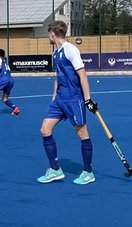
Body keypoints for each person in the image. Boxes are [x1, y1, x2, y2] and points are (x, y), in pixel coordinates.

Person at [37, 21, 95, 186]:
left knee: (82, 134)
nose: (48, 37)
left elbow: (82, 75)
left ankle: (88, 172)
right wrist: (54, 96)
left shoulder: (71, 50)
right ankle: (55, 170)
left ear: (52, 34)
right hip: (60, 99)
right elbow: (59, 75)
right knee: (45, 129)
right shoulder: (56, 53)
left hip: (73, 99)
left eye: (48, 34)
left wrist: (87, 99)